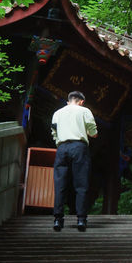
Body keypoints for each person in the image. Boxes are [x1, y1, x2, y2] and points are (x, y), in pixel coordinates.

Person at [51, 91, 97, 231]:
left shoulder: (57, 113)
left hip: (62, 148)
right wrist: (89, 132)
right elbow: (93, 132)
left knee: (60, 184)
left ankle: (58, 220)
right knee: (81, 184)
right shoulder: (85, 111)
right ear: (81, 101)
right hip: (79, 147)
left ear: (68, 101)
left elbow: (54, 132)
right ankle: (81, 220)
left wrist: (60, 142)